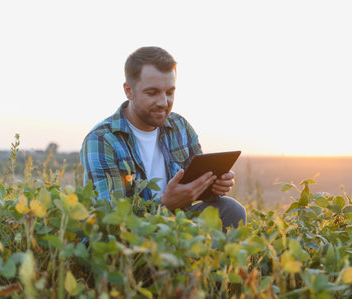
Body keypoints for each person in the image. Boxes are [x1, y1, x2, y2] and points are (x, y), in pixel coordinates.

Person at [80, 46, 246, 229]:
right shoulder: (101, 140)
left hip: (178, 225)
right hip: (131, 240)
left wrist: (213, 187)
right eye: (152, 93)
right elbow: (111, 221)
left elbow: (196, 189)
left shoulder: (180, 126)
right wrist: (165, 205)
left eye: (169, 92)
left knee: (232, 210)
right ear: (129, 91)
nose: (163, 102)